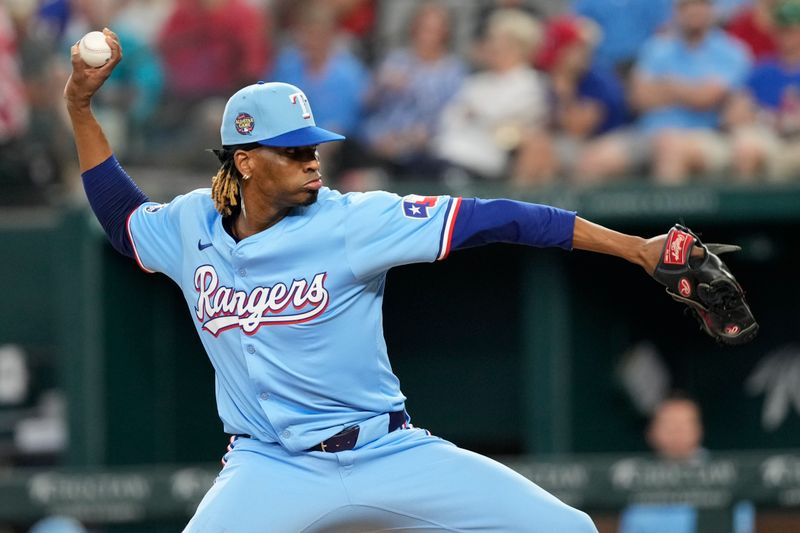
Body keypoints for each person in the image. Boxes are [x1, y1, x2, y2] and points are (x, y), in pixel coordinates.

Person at [66, 29, 684, 533]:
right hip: (269, 465)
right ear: (246, 161)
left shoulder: (354, 219)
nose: (313, 159)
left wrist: (635, 249)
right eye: (293, 150)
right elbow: (123, 221)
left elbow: (503, 219)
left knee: (566, 530)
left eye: (314, 147)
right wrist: (79, 105)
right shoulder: (190, 224)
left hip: (385, 451)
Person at [580, 0, 751, 185]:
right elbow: (639, 98)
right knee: (592, 161)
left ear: (712, 9)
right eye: (686, 6)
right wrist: (691, 90)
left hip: (704, 135)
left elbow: (706, 98)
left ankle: (674, 216)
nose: (694, 11)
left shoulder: (730, 51)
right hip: (648, 133)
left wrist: (666, 86)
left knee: (670, 149)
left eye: (700, 5)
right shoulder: (657, 48)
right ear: (676, 10)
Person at [434, 8, 548, 181]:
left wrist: (478, 114)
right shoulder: (476, 82)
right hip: (447, 151)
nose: (492, 46)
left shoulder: (531, 83)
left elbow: (506, 123)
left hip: (487, 160)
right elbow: (450, 117)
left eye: (500, 40)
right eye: (492, 39)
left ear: (519, 46)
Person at [618, 394, 755, 533]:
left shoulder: (724, 474)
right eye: (669, 424)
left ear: (699, 429)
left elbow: (742, 524)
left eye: (684, 424)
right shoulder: (637, 477)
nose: (677, 431)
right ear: (651, 432)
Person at [726, 0, 800, 182]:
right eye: (781, 31)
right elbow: (734, 113)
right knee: (746, 147)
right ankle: (743, 208)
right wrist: (757, 115)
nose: (787, 37)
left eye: (792, 30)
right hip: (769, 135)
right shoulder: (763, 69)